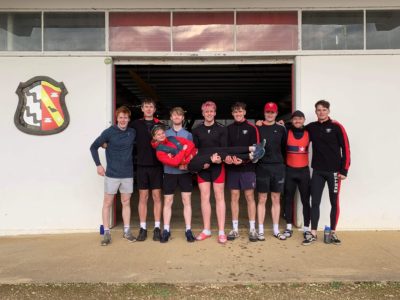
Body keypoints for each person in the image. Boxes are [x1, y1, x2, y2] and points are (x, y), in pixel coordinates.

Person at [302, 100, 350, 246]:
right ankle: (313, 233)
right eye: (318, 110)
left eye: (323, 110)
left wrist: (344, 170)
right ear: (315, 112)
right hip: (317, 171)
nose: (321, 112)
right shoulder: (311, 127)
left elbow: (346, 149)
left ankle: (333, 232)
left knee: (334, 202)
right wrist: (279, 125)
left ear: (328, 111)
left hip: (334, 173)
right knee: (314, 202)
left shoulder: (337, 126)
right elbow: (296, 129)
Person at [90, 106, 136, 246]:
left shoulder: (132, 132)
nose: (123, 120)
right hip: (112, 174)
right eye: (121, 117)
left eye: (125, 117)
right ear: (117, 118)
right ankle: (105, 233)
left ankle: (127, 231)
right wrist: (98, 165)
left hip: (127, 174)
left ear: (129, 119)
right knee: (107, 203)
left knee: (126, 202)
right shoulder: (109, 132)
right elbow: (93, 147)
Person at [151, 125, 265, 174]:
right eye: (158, 134)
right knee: (219, 154)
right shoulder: (160, 152)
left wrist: (183, 152)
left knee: (224, 149)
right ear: (154, 137)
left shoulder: (171, 138)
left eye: (162, 133)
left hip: (196, 153)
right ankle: (251, 156)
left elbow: (190, 144)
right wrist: (184, 151)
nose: (161, 135)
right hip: (192, 163)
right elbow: (175, 162)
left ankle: (253, 147)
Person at [191, 101, 228, 244]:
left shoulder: (222, 129)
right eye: (206, 111)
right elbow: (195, 151)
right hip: (203, 168)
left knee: (219, 197)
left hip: (218, 166)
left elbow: (224, 149)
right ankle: (206, 229)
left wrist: (219, 159)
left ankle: (221, 231)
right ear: (203, 113)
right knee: (204, 197)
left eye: (211, 111)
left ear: (215, 112)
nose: (209, 114)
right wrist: (202, 164)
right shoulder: (196, 130)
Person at [225, 102, 259, 242]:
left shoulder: (252, 128)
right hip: (232, 167)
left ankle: (252, 229)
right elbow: (226, 148)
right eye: (235, 112)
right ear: (232, 114)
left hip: (248, 168)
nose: (238, 114)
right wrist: (229, 158)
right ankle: (235, 228)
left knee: (249, 196)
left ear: (245, 112)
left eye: (240, 111)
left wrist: (243, 160)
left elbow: (257, 150)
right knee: (234, 196)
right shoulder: (228, 129)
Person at [160, 107, 195, 243]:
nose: (176, 117)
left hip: (184, 173)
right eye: (174, 115)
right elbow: (160, 149)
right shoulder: (165, 134)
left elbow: (192, 152)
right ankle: (166, 230)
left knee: (187, 201)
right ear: (171, 117)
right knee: (168, 201)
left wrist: (186, 163)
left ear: (182, 118)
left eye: (179, 115)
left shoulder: (187, 134)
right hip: (169, 172)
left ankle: (188, 230)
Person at [130, 99, 163, 242]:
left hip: (157, 165)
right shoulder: (135, 124)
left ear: (154, 109)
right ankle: (142, 228)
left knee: (156, 197)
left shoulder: (160, 125)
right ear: (142, 109)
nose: (149, 109)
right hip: (141, 165)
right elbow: (125, 138)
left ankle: (157, 228)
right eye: (146, 107)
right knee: (143, 197)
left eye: (151, 107)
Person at [256, 102, 287, 241]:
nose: (270, 114)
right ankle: (261, 230)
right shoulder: (258, 127)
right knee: (262, 198)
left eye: (272, 112)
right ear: (264, 113)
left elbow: (285, 148)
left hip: (278, 167)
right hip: (262, 167)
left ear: (276, 113)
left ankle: (275, 229)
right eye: (267, 112)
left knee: (275, 198)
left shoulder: (281, 129)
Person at [282, 110, 312, 240]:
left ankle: (306, 228)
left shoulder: (309, 132)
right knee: (288, 199)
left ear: (304, 120)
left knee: (306, 201)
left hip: (304, 172)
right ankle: (288, 227)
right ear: (291, 121)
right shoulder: (286, 132)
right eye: (295, 119)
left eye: (300, 119)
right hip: (290, 171)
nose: (297, 121)